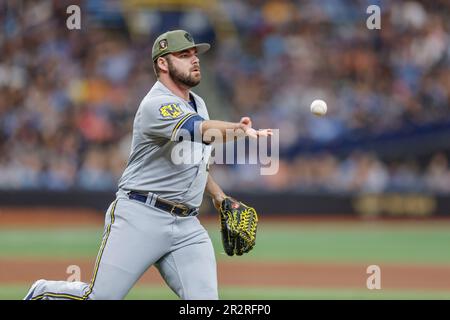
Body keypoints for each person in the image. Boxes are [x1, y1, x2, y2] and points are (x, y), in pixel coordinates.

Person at [24, 30, 271, 300]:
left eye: (195, 54)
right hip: (141, 215)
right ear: (163, 63)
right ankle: (43, 291)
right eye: (184, 55)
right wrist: (238, 129)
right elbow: (197, 130)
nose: (195, 60)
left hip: (187, 225)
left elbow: (192, 161)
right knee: (99, 298)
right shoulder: (157, 104)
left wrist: (219, 197)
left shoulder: (197, 103)